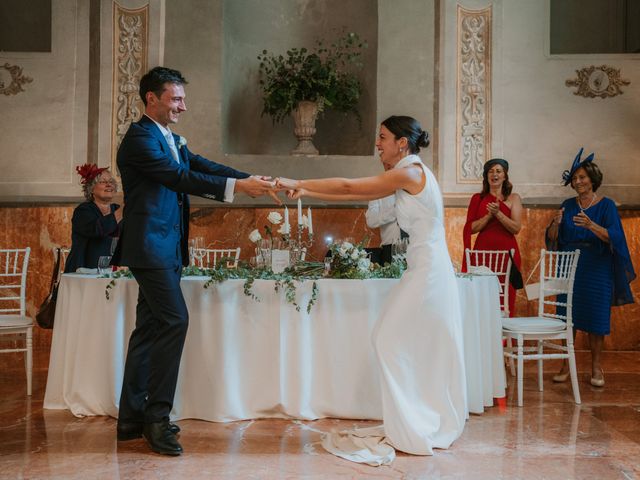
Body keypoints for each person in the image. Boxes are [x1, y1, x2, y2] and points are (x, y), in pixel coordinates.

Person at [276, 115, 466, 463]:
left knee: (388, 338)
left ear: (402, 143)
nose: (377, 145)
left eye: (382, 138)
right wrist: (308, 189)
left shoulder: (411, 172)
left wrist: (301, 182)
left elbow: (351, 187)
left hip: (429, 270)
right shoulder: (412, 171)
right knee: (394, 338)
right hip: (421, 266)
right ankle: (412, 418)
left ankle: (415, 422)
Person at [112, 66, 277, 456]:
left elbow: (201, 165)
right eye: (175, 98)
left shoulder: (168, 136)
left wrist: (251, 179)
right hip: (150, 246)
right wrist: (239, 187)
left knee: (149, 328)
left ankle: (131, 418)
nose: (182, 106)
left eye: (183, 98)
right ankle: (156, 418)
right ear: (151, 98)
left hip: (165, 247)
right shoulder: (139, 139)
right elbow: (177, 176)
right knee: (175, 320)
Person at [547, 148, 635, 387]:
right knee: (567, 316)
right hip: (570, 267)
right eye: (575, 178)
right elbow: (554, 238)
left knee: (596, 318)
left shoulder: (606, 206)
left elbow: (615, 237)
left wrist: (591, 225)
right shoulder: (567, 204)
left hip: (597, 267)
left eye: (582, 177)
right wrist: (555, 224)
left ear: (592, 178)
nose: (578, 182)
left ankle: (596, 367)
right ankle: (566, 364)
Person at [462, 158, 522, 316]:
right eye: (490, 171)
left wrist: (499, 214)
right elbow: (471, 228)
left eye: (498, 171)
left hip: (507, 256)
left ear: (505, 176)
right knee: (481, 300)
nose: (494, 174)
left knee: (506, 299)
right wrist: (489, 216)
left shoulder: (513, 198)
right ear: (486, 176)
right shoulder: (478, 198)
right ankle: (483, 337)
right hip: (483, 255)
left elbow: (516, 228)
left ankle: (503, 340)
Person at [64, 165, 123, 273]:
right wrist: (122, 211)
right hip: (83, 269)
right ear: (91, 189)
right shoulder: (83, 211)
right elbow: (97, 229)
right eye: (102, 182)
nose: (109, 184)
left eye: (111, 181)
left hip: (111, 271)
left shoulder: (117, 209)